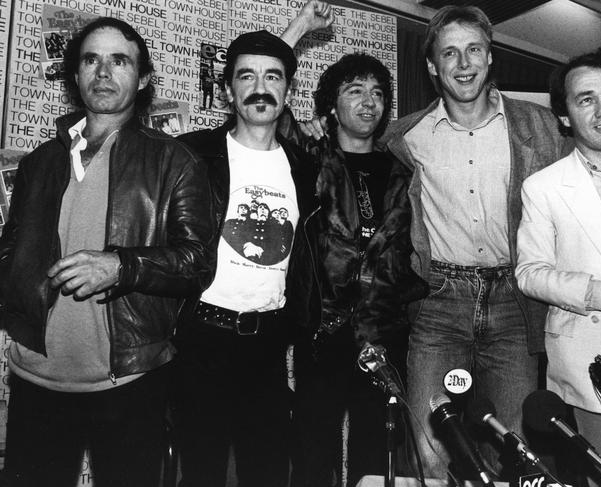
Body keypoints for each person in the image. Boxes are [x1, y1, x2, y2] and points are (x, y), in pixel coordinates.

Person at [0, 17, 215, 487]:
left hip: (130, 382)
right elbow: (12, 247)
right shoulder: (39, 161)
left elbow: (198, 261)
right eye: (91, 60)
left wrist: (120, 265)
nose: (103, 72)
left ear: (141, 80)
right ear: (75, 76)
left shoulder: (174, 161)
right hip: (34, 379)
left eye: (119, 60)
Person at [378, 5, 572, 479]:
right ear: (432, 66)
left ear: (489, 58)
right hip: (438, 305)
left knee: (513, 447)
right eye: (449, 53)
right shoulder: (404, 136)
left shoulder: (540, 126)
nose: (463, 64)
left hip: (513, 304)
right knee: (431, 450)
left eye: (473, 50)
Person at [171, 29, 321, 487]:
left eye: (273, 76)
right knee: (201, 473)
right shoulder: (192, 154)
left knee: (269, 471)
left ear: (288, 91)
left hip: (270, 346)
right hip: (200, 340)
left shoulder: (308, 168)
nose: (260, 87)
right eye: (247, 76)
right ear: (229, 91)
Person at [281, 51, 428, 487]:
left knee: (376, 453)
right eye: (355, 90)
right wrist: (302, 26)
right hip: (323, 332)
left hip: (385, 333)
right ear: (331, 105)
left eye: (378, 92)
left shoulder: (404, 170)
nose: (369, 101)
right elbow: (268, 92)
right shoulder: (308, 159)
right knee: (312, 450)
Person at [516, 48, 601, 486]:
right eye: (586, 99)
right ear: (565, 116)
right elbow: (530, 272)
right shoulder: (544, 187)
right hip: (597, 356)